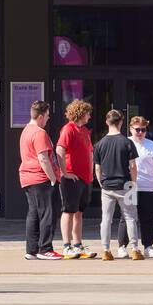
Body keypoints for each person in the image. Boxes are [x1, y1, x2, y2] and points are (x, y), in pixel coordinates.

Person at [117, 117, 153, 259]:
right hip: (130, 185)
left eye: (143, 130)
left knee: (147, 217)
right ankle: (122, 246)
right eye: (137, 129)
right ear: (131, 129)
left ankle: (148, 246)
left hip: (149, 186)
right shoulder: (125, 143)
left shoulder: (152, 145)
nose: (140, 132)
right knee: (127, 216)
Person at [19, 100, 63, 261]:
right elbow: (43, 158)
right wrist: (52, 178)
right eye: (47, 116)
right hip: (40, 177)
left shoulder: (26, 131)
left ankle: (32, 250)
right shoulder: (39, 133)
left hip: (28, 177)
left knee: (34, 213)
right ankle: (45, 249)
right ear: (41, 116)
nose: (48, 118)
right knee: (47, 213)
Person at [93, 109, 137, 261]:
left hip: (107, 186)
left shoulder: (99, 144)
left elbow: (97, 168)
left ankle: (106, 250)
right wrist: (133, 183)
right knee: (131, 218)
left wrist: (101, 183)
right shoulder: (127, 142)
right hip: (126, 185)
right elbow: (132, 166)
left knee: (106, 219)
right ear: (121, 122)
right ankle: (135, 249)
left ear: (107, 122)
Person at [56, 99, 96, 258]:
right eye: (88, 113)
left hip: (85, 178)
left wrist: (91, 174)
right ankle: (67, 246)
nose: (89, 116)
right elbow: (59, 149)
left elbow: (90, 152)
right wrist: (64, 172)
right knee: (68, 211)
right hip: (72, 178)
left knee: (79, 212)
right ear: (80, 113)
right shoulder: (68, 129)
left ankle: (77, 245)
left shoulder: (85, 130)